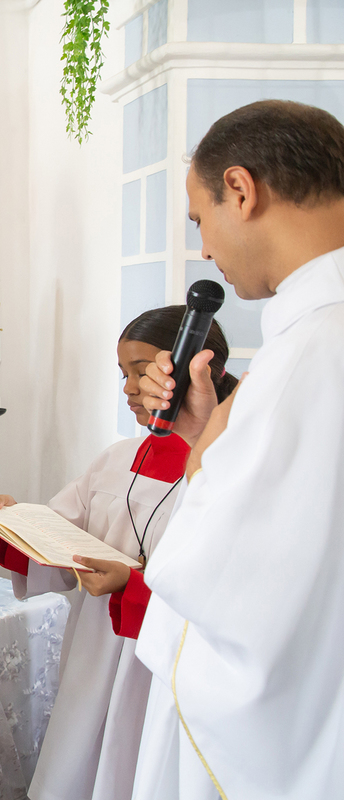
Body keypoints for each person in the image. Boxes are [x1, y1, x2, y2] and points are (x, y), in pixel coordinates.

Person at [129, 100, 344, 799]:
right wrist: (210, 431)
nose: (205, 251)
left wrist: (201, 457)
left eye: (200, 219)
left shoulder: (313, 349)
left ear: (242, 190)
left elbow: (212, 574)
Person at [0, 306, 236, 800]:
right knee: (79, 765)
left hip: (159, 668)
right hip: (96, 649)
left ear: (194, 369)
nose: (127, 389)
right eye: (123, 374)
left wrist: (132, 584)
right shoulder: (119, 457)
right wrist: (17, 525)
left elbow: (226, 586)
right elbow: (65, 528)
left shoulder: (224, 470)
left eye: (140, 372)